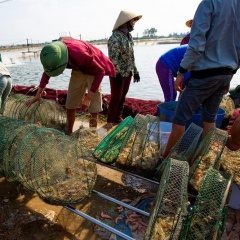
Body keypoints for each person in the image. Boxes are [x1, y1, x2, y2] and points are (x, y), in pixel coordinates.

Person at [163, 0, 240, 159]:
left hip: (204, 73)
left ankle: (165, 161)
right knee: (209, 119)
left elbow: (196, 44)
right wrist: (230, 75)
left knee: (179, 120)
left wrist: (181, 71)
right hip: (226, 73)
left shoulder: (209, 3)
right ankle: (204, 160)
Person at [26, 39, 115, 135]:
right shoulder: (53, 54)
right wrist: (38, 94)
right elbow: (47, 73)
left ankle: (92, 133)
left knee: (94, 106)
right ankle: (69, 132)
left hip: (94, 69)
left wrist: (88, 97)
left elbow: (100, 71)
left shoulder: (80, 54)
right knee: (70, 104)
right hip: (78, 69)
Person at [106, 10, 142, 129]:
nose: (134, 23)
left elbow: (131, 56)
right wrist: (118, 73)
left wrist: (135, 71)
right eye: (132, 21)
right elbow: (113, 57)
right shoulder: (115, 37)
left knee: (123, 96)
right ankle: (110, 120)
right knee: (116, 96)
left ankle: (118, 117)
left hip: (128, 72)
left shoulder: (129, 36)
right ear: (125, 23)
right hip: (118, 73)